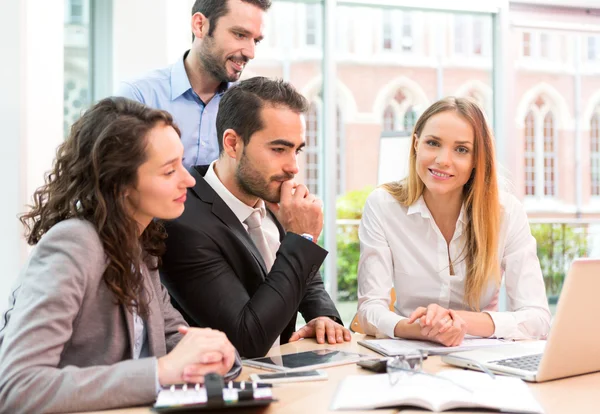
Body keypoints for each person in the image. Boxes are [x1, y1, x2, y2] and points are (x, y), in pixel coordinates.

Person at [0, 97, 241, 414]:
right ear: (121, 185)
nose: (189, 179)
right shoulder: (74, 244)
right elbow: (18, 386)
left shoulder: (139, 246)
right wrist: (161, 372)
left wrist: (216, 352)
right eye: (169, 171)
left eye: (181, 163)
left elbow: (174, 337)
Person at [160, 77, 351, 358]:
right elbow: (247, 340)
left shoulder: (268, 197)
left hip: (286, 378)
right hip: (227, 387)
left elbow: (302, 276)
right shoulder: (183, 222)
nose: (293, 167)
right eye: (278, 149)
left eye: (296, 150)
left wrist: (322, 315)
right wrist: (302, 238)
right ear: (233, 144)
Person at [357, 97, 551, 346]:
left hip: (480, 358)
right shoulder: (383, 206)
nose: (443, 160)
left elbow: (537, 318)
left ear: (477, 160)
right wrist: (417, 328)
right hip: (410, 353)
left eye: (461, 149)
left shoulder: (507, 213)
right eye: (433, 143)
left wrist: (457, 320)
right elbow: (370, 310)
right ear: (416, 144)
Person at [117, 0, 271, 169]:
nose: (251, 53)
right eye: (240, 35)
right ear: (200, 26)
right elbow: (114, 182)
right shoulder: (138, 97)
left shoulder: (250, 106)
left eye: (255, 41)